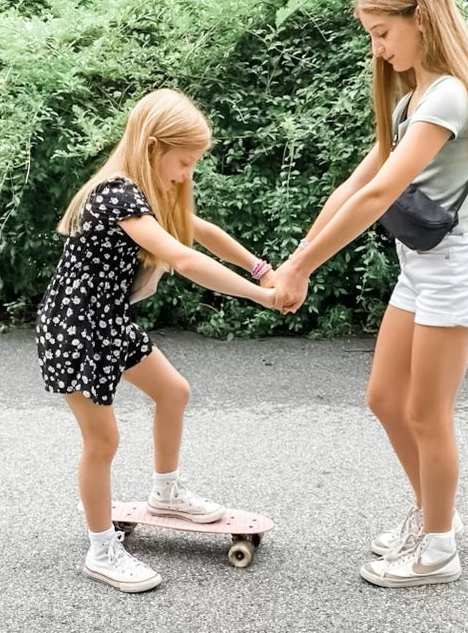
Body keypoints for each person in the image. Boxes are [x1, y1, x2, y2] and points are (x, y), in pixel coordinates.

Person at [273, 0, 468, 588]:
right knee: (384, 398)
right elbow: (353, 186)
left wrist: (300, 270)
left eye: (383, 32)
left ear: (421, 20)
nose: (377, 49)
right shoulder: (413, 99)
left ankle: (438, 550)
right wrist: (296, 259)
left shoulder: (449, 97)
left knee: (428, 413)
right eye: (372, 35)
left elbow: (379, 198)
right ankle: (435, 514)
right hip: (420, 273)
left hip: (454, 273)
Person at [36, 89, 278, 593]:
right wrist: (260, 296)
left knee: (173, 391)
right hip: (76, 329)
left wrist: (259, 267)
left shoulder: (143, 193)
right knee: (102, 441)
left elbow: (201, 231)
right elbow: (186, 260)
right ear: (152, 147)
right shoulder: (116, 194)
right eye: (184, 161)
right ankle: (102, 549)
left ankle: (165, 492)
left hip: (106, 322)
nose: (186, 174)